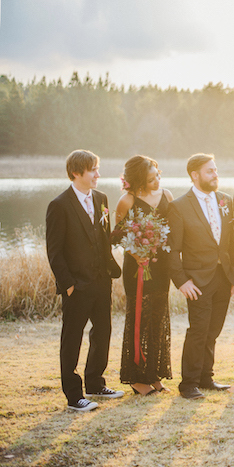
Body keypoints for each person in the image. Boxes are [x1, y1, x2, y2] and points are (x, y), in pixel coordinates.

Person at [46, 150, 123, 412]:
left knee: (103, 332)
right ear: (77, 172)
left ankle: (95, 383)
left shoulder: (101, 199)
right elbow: (54, 252)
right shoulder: (59, 205)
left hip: (102, 281)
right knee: (73, 338)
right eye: (93, 170)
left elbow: (102, 239)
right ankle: (73, 395)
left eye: (98, 169)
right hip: (76, 286)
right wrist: (68, 284)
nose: (98, 175)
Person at [168, 154, 234, 400]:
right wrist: (181, 281)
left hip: (223, 276)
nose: (215, 175)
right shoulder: (179, 206)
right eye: (209, 171)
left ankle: (206, 378)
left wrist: (233, 275)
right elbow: (173, 249)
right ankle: (188, 384)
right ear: (195, 175)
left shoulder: (225, 201)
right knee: (198, 330)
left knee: (214, 330)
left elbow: (232, 243)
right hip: (196, 280)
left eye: (216, 170)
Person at [114, 155, 174, 396]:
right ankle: (137, 378)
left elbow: (173, 230)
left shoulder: (167, 196)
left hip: (161, 267)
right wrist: (136, 252)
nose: (157, 181)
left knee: (159, 318)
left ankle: (154, 375)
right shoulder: (127, 201)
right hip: (138, 268)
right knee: (140, 318)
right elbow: (116, 236)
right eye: (151, 179)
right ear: (138, 180)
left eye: (158, 175)